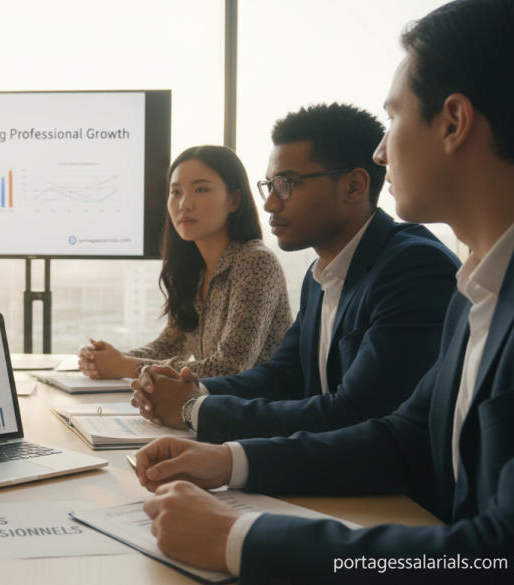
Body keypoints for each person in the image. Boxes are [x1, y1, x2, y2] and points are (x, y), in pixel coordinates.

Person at [135, 0, 514, 581]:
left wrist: (240, 536)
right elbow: (401, 437)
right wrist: (225, 459)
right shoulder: (476, 291)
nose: (383, 151)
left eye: (392, 120)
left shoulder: (421, 270)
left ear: (454, 123)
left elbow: (496, 552)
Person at [131, 103, 461, 444]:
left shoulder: (412, 267)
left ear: (354, 186)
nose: (271, 203)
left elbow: (357, 413)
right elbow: (285, 375)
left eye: (286, 184)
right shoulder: (321, 274)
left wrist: (195, 409)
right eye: (270, 185)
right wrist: (196, 387)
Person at [78, 145, 292, 381]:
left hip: (262, 410)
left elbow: (229, 368)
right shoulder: (194, 268)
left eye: (200, 189)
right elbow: (168, 347)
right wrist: (109, 359)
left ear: (234, 200)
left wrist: (125, 366)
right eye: (176, 192)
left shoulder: (256, 262)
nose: (184, 204)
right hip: (217, 407)